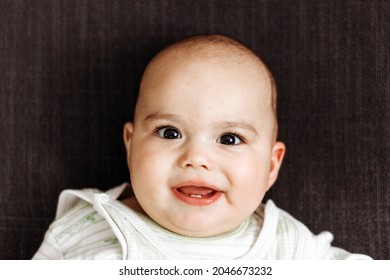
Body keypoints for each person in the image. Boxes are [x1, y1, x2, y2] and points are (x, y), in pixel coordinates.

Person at [33, 34, 370, 260]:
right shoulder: (87, 227)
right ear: (131, 143)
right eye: (169, 132)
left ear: (270, 165)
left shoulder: (290, 245)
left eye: (229, 139)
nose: (196, 158)